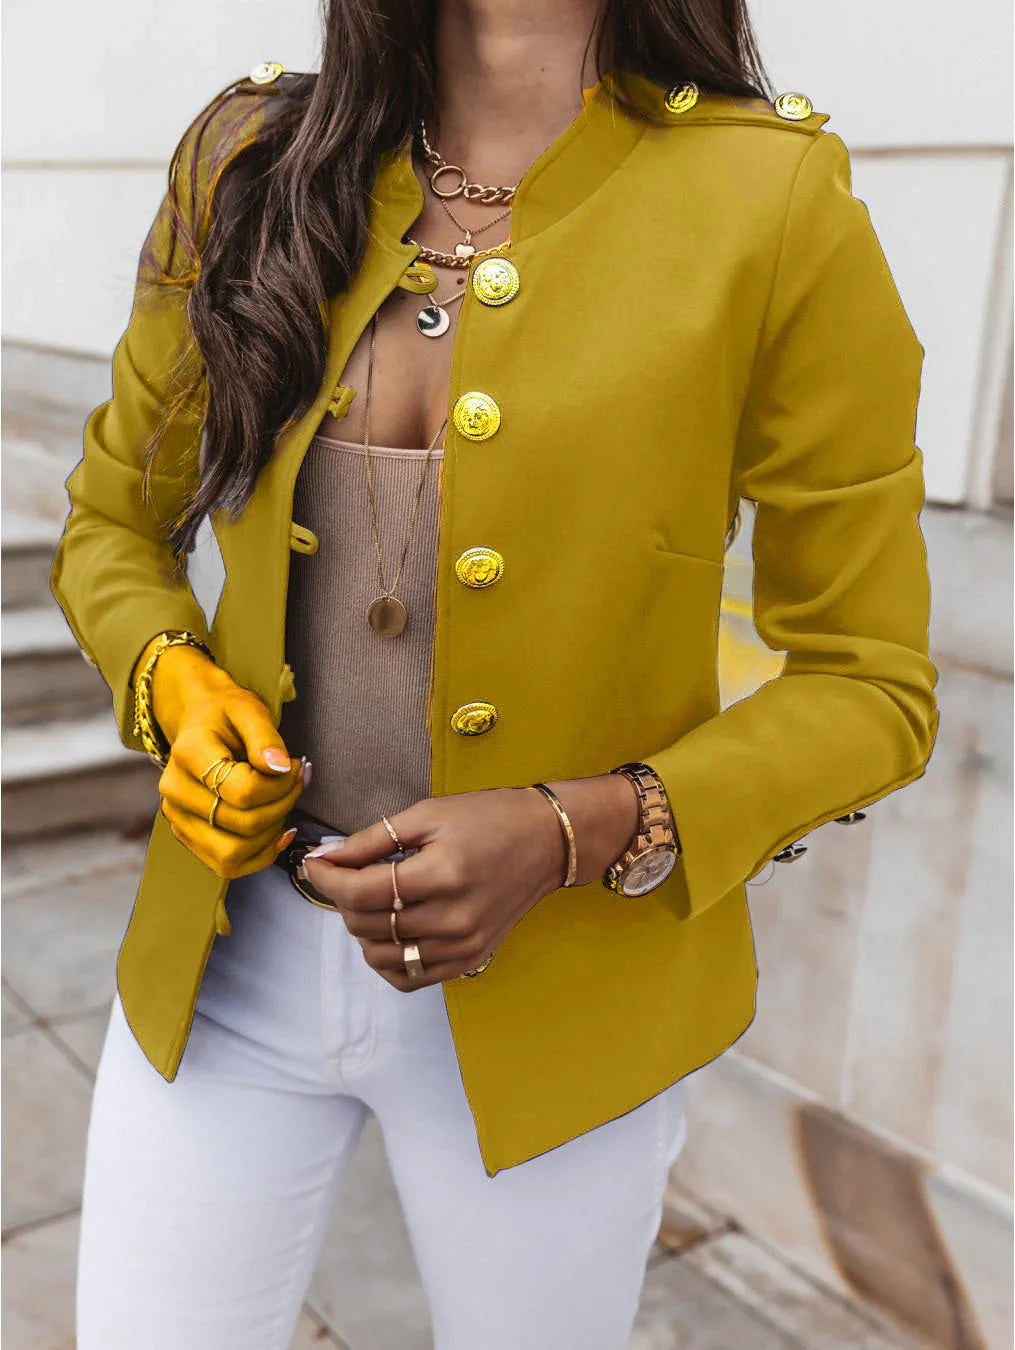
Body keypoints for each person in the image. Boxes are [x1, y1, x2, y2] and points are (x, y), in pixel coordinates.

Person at [51, 0, 940, 1345]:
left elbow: (874, 683)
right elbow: (115, 525)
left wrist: (580, 826)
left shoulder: (772, 199)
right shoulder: (248, 159)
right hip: (224, 964)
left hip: (570, 1004)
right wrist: (173, 683)